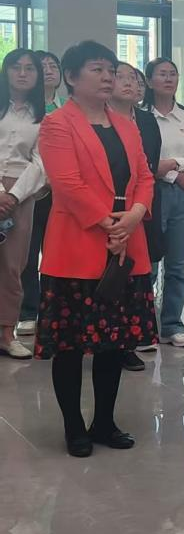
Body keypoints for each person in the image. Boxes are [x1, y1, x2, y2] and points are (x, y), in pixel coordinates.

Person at [35, 41, 158, 457]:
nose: (108, 77)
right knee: (70, 345)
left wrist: (134, 216)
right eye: (97, 69)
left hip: (126, 240)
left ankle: (104, 420)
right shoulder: (57, 124)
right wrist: (110, 223)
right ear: (71, 77)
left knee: (113, 341)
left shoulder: (126, 124)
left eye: (111, 70)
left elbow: (144, 176)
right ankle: (74, 426)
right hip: (78, 244)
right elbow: (67, 184)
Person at [141, 57, 184, 349]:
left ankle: (172, 325)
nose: (168, 79)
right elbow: (144, 161)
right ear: (149, 80)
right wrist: (174, 175)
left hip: (182, 197)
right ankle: (144, 327)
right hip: (151, 193)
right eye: (162, 74)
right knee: (149, 265)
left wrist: (174, 165)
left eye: (173, 74)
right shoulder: (142, 118)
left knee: (177, 265)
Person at [111, 62, 165, 371]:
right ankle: (105, 340)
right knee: (108, 278)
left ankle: (128, 343)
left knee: (135, 277)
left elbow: (149, 167)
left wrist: (138, 208)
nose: (129, 82)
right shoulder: (98, 120)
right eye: (120, 76)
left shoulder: (146, 120)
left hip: (140, 207)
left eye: (133, 77)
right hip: (107, 209)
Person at [0, 49, 47, 360]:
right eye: (16, 67)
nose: (22, 73)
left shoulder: (43, 117)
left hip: (22, 194)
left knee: (12, 266)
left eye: (30, 68)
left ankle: (6, 333)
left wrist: (13, 196)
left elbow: (41, 163)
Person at [16, 51, 63, 340]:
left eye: (53, 65)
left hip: (62, 192)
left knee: (57, 253)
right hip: (32, 190)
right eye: (41, 66)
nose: (48, 70)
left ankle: (54, 309)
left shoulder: (68, 107)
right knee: (28, 253)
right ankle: (28, 311)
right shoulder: (27, 110)